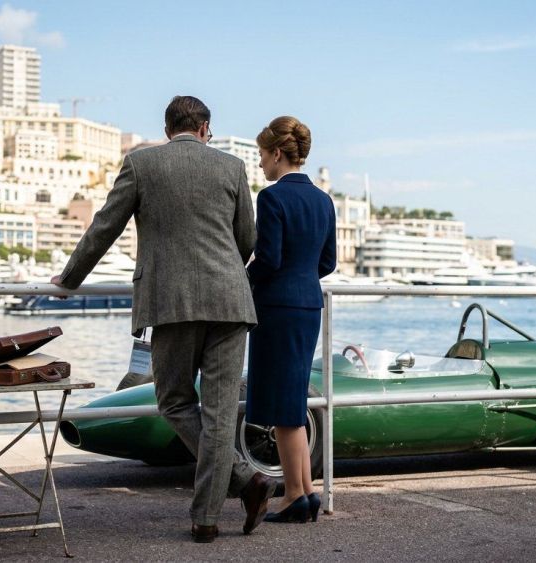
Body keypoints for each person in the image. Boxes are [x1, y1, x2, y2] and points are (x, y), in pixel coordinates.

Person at [51, 96, 277, 543]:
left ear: (167, 129)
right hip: (230, 302)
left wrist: (70, 278)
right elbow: (246, 239)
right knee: (220, 413)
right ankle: (216, 508)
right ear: (206, 128)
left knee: (173, 401)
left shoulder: (141, 164)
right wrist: (223, 273)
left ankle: (235, 489)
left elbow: (105, 227)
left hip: (171, 303)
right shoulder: (232, 167)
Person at [246, 116, 336, 523]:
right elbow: (328, 261)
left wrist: (244, 279)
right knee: (293, 399)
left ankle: (296, 495)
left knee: (282, 404)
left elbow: (268, 259)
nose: (261, 163)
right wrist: (301, 278)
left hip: (277, 308)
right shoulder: (323, 200)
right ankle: (306, 492)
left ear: (278, 153)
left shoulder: (271, 198)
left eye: (262, 155)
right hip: (308, 305)